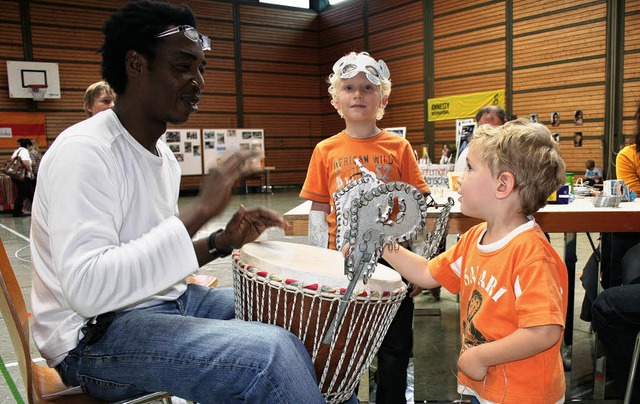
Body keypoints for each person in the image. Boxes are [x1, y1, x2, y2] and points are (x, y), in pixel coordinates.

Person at [29, 2, 327, 403]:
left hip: (165, 303)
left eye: (201, 68)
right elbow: (88, 289)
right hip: (92, 339)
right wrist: (199, 210)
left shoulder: (162, 155)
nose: (198, 81)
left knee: (299, 322)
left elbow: (151, 260)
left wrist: (220, 241)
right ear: (137, 65)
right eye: (183, 66)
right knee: (270, 355)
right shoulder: (84, 151)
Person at [380, 119, 568, 403]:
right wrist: (382, 243)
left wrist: (480, 356)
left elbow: (544, 331)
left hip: (525, 395)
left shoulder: (532, 255)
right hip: (489, 387)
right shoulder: (474, 238)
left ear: (503, 185)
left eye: (469, 168)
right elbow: (426, 273)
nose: (460, 178)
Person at [300, 51, 430, 404]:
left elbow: (418, 207)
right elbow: (318, 209)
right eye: (349, 88)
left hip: (395, 263)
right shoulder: (325, 150)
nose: (358, 95)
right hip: (341, 265)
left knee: (396, 346)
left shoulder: (399, 147)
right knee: (344, 346)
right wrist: (319, 262)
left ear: (382, 99)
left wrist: (418, 266)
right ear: (336, 99)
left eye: (367, 88)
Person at [579, 105, 640, 324]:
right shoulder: (629, 155)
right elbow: (633, 194)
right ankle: (607, 328)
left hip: (629, 244)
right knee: (591, 275)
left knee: (622, 272)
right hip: (628, 232)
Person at [454, 105, 506, 173]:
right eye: (483, 130)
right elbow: (458, 180)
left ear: (504, 127)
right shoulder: (467, 154)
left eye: (494, 130)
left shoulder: (511, 153)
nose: (489, 135)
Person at [10, 138, 35, 217]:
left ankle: (18, 211)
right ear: (28, 145)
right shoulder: (24, 151)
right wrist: (31, 172)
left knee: (27, 193)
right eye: (30, 146)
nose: (31, 148)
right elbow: (26, 162)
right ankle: (17, 212)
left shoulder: (16, 151)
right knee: (25, 194)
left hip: (15, 175)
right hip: (23, 176)